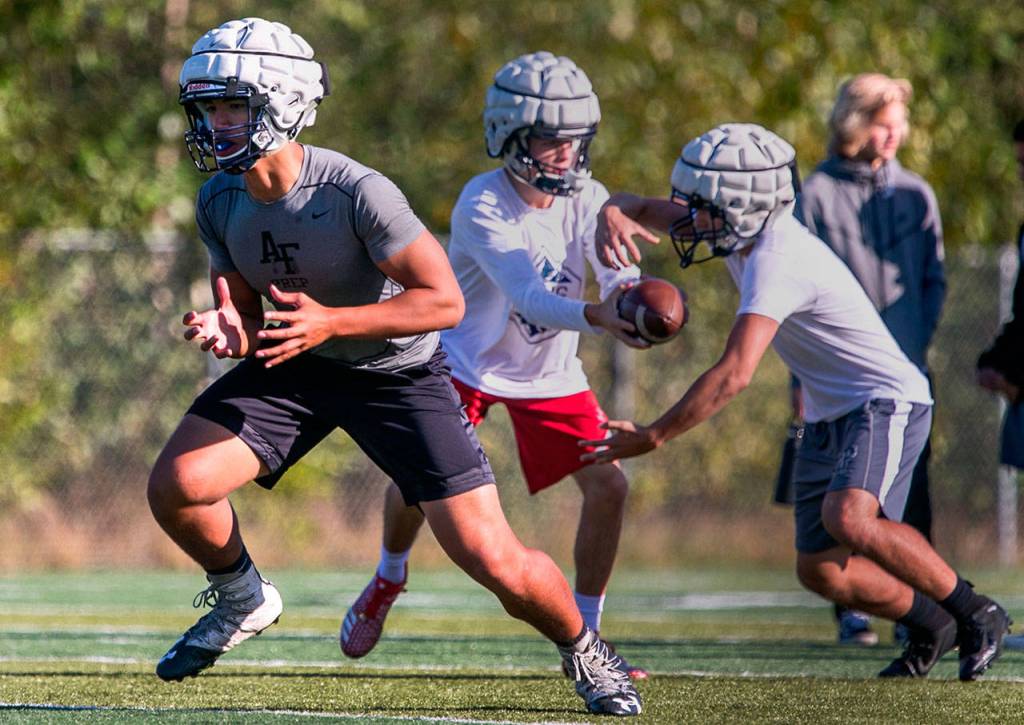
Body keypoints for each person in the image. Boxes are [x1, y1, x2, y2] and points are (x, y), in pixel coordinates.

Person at [146, 19, 641, 717]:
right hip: (296, 361)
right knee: (178, 484)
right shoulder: (219, 198)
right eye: (207, 109)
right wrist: (232, 325)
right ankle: (242, 597)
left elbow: (442, 301)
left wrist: (331, 321)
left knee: (491, 557)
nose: (216, 124)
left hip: (395, 374)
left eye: (233, 106)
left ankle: (585, 646)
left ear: (283, 103)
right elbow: (247, 310)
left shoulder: (355, 191)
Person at [587, 122, 1011, 680]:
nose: (691, 217)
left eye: (704, 205)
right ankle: (934, 621)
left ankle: (979, 612)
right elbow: (636, 205)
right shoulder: (738, 227)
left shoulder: (777, 257)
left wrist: (655, 434)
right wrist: (610, 212)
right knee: (822, 572)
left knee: (850, 518)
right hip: (829, 408)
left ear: (743, 207)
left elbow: (734, 374)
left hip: (884, 399)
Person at [338, 51, 650, 680]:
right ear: (509, 136)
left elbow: (620, 271)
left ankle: (585, 633)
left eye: (576, 140)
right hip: (462, 363)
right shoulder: (483, 201)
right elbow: (531, 297)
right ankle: (389, 575)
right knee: (416, 482)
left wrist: (634, 300)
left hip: (550, 373)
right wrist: (601, 316)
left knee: (611, 486)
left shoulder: (591, 198)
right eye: (549, 139)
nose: (566, 153)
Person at [797, 73, 946, 646]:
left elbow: (934, 279)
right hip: (839, 379)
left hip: (906, 375)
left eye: (899, 124)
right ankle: (852, 608)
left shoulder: (918, 193)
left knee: (913, 496)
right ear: (853, 123)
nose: (893, 135)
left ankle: (925, 611)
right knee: (844, 498)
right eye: (883, 123)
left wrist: (914, 340)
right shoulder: (816, 194)